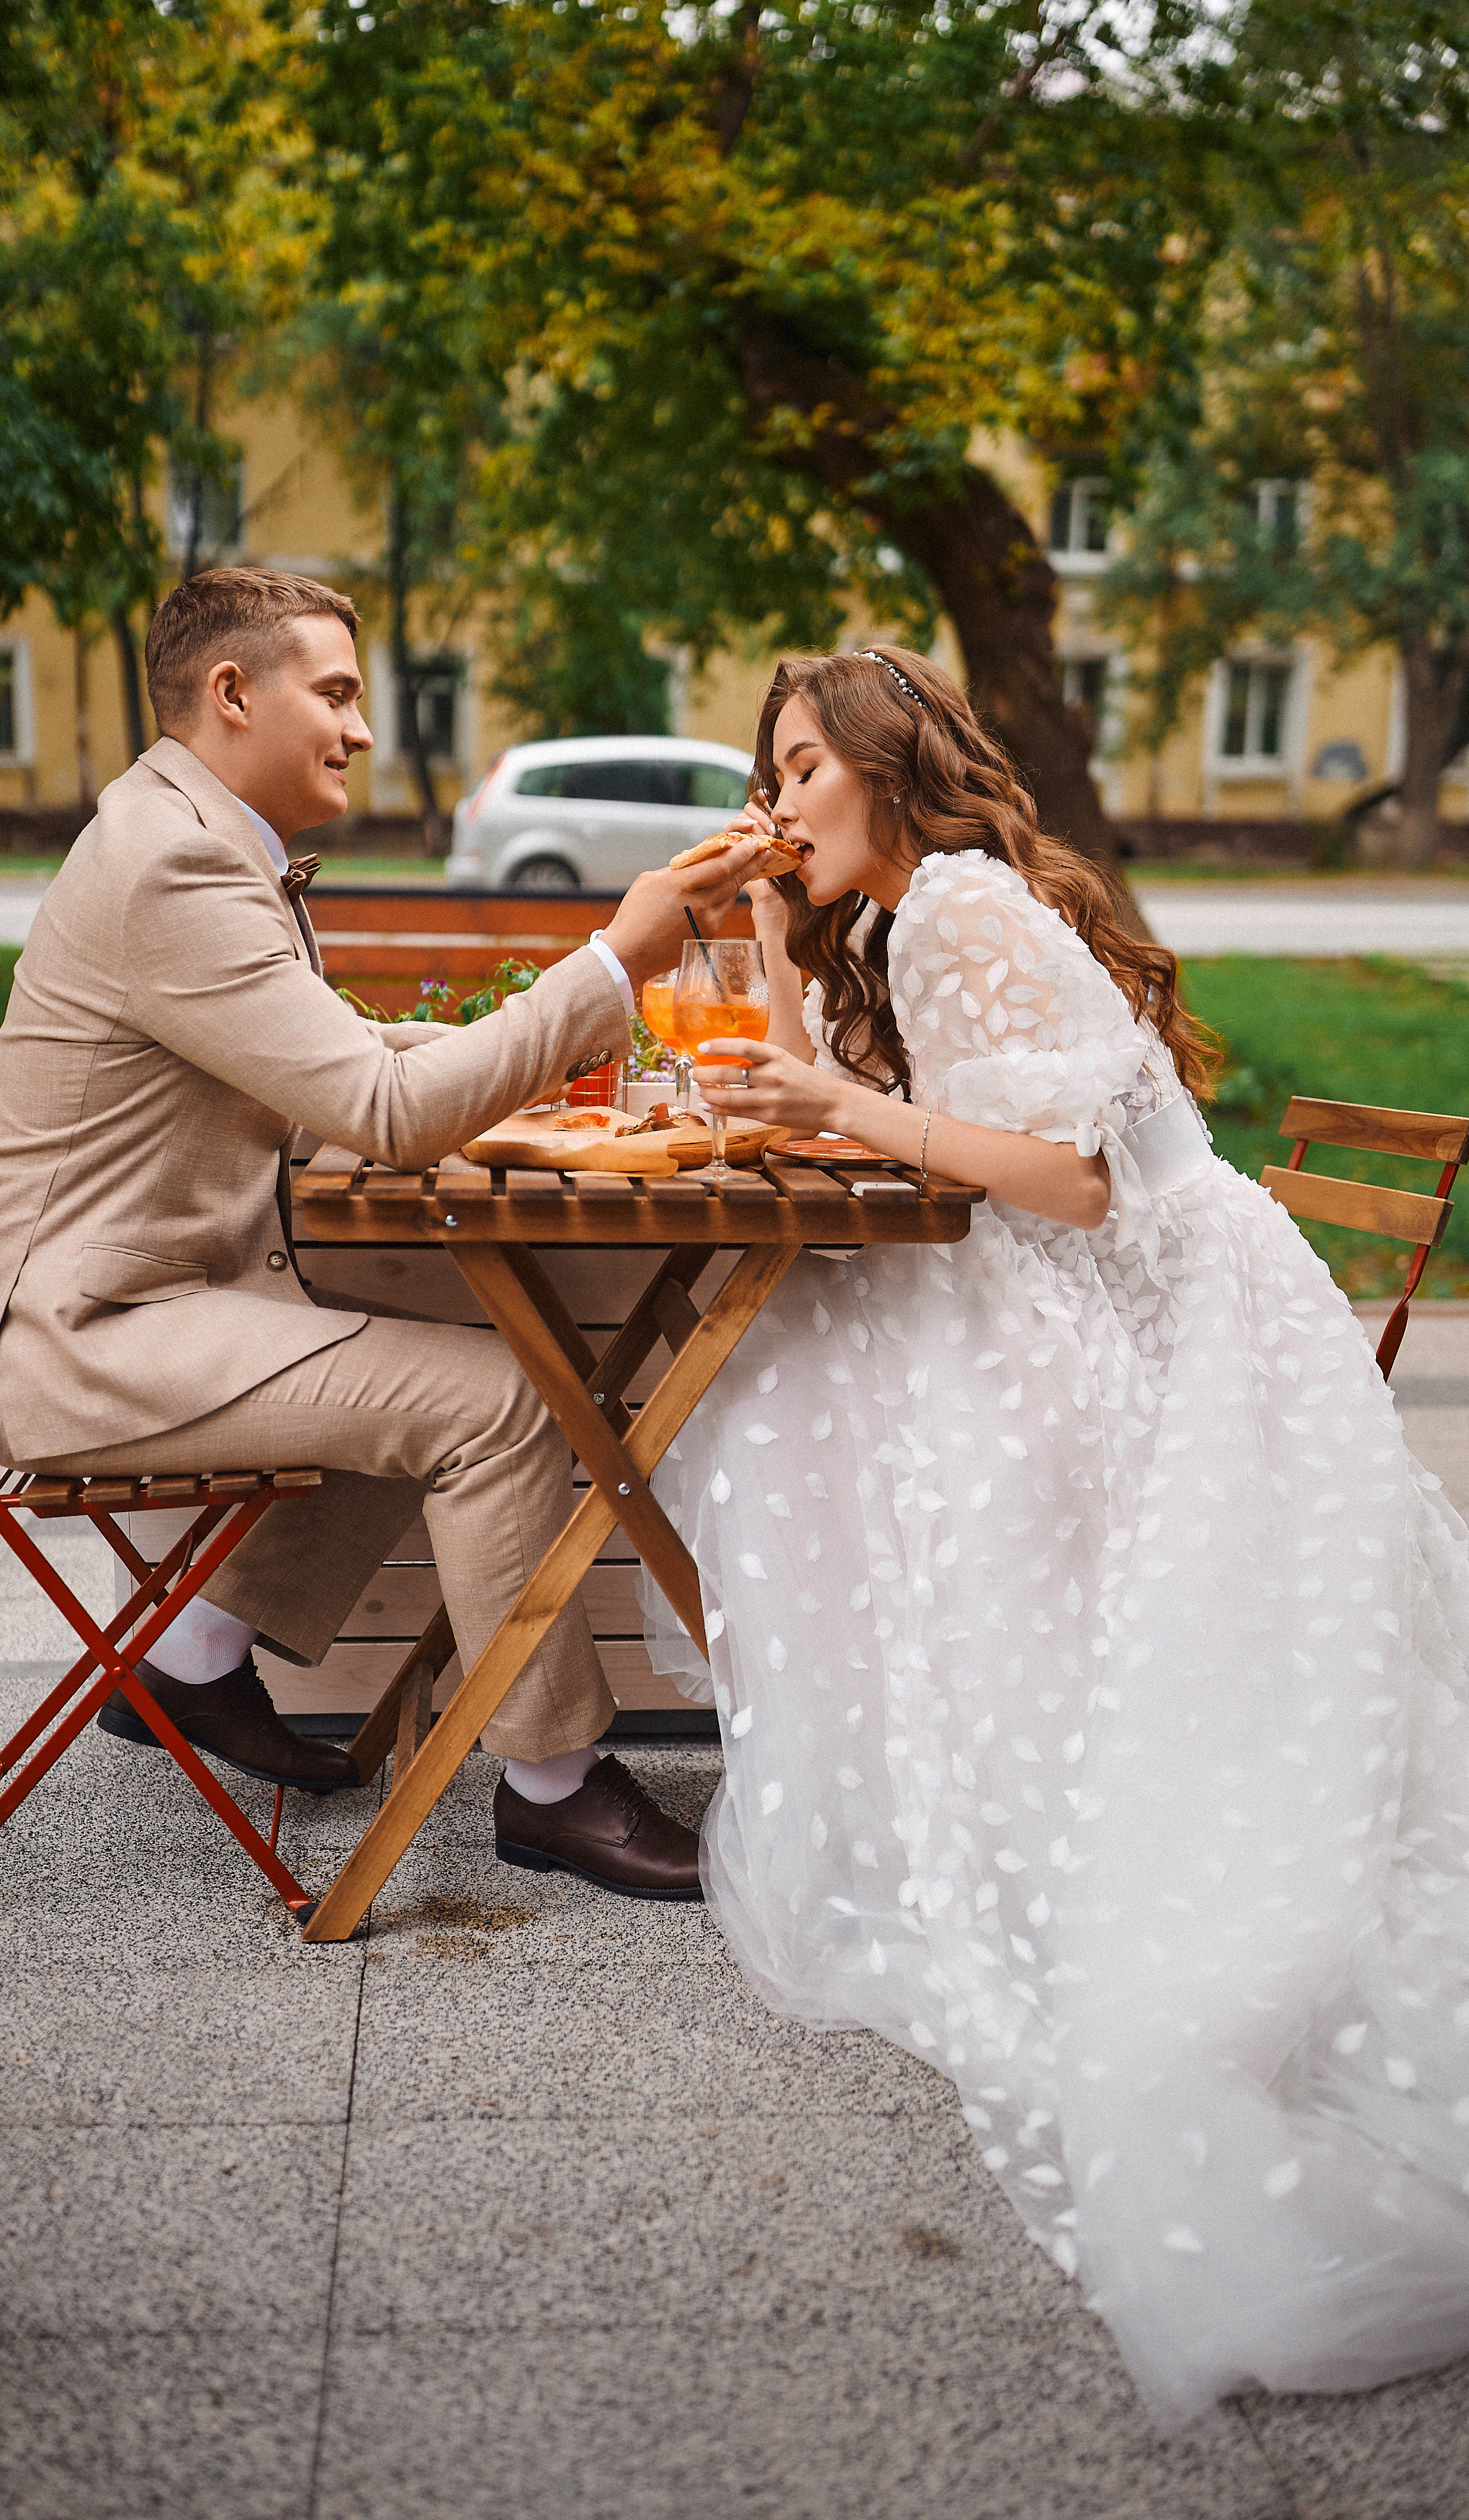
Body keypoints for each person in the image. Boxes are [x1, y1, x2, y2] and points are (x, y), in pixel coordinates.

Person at [642, 643, 1469, 2422]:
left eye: (803, 766)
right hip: (1088, 1280)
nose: (778, 802)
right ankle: (900, 1719)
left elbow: (1092, 1185)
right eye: (770, 774)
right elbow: (802, 1101)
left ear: (887, 764)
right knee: (810, 1345)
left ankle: (939, 1733)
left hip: (1197, 1323)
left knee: (807, 1362)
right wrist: (778, 952)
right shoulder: (892, 918)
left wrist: (844, 1103)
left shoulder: (958, 902)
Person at [0, 566, 762, 1899]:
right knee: (497, 1402)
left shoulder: (180, 830)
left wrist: (532, 1055)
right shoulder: (173, 864)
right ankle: (554, 1789)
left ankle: (190, 1661)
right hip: (75, 1339)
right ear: (231, 692)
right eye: (334, 694)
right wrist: (612, 965)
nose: (361, 729)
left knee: (430, 1356)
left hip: (116, 1302)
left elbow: (339, 1052)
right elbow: (383, 1110)